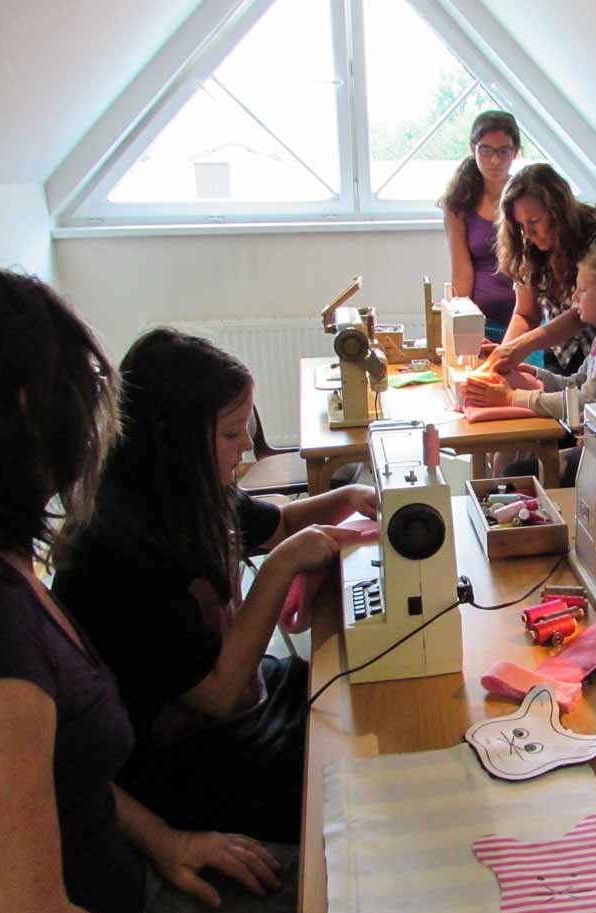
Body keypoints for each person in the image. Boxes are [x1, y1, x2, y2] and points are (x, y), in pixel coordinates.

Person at [0, 271, 280, 913]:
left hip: (139, 878)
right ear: (21, 412)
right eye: (79, 388)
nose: (98, 415)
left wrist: (165, 840)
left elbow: (59, 772)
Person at [53, 328, 377, 842]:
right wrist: (282, 566)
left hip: (244, 697)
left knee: (355, 689)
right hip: (181, 757)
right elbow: (220, 694)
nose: (247, 446)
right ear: (173, 439)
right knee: (351, 776)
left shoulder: (190, 486)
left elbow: (277, 525)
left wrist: (347, 499)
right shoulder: (119, 549)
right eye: (231, 434)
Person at [464, 246, 596, 485]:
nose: (574, 298)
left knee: (514, 474)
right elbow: (577, 383)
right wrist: (536, 375)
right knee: (509, 463)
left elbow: (585, 401)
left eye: (582, 290)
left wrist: (511, 398)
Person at [481, 163, 596, 375]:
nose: (527, 233)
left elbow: (583, 313)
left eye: (534, 221)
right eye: (520, 225)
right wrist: (502, 356)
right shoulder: (528, 242)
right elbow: (526, 313)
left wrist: (518, 347)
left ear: (558, 213)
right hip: (561, 354)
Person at [439, 110, 521, 344]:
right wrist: (458, 324)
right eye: (486, 150)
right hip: (481, 323)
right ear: (473, 148)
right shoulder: (458, 202)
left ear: (515, 152)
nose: (495, 160)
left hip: (525, 323)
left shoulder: (527, 195)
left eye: (503, 151)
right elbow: (461, 272)